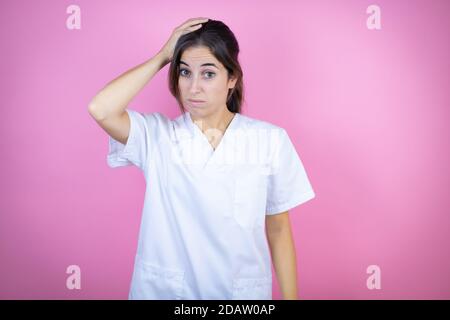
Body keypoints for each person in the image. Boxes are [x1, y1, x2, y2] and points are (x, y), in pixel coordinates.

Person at [88, 17, 316, 300]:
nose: (193, 87)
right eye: (185, 72)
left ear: (232, 78)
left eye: (208, 74)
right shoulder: (157, 136)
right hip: (167, 292)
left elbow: (279, 229)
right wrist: (162, 57)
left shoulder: (269, 140)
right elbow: (101, 109)